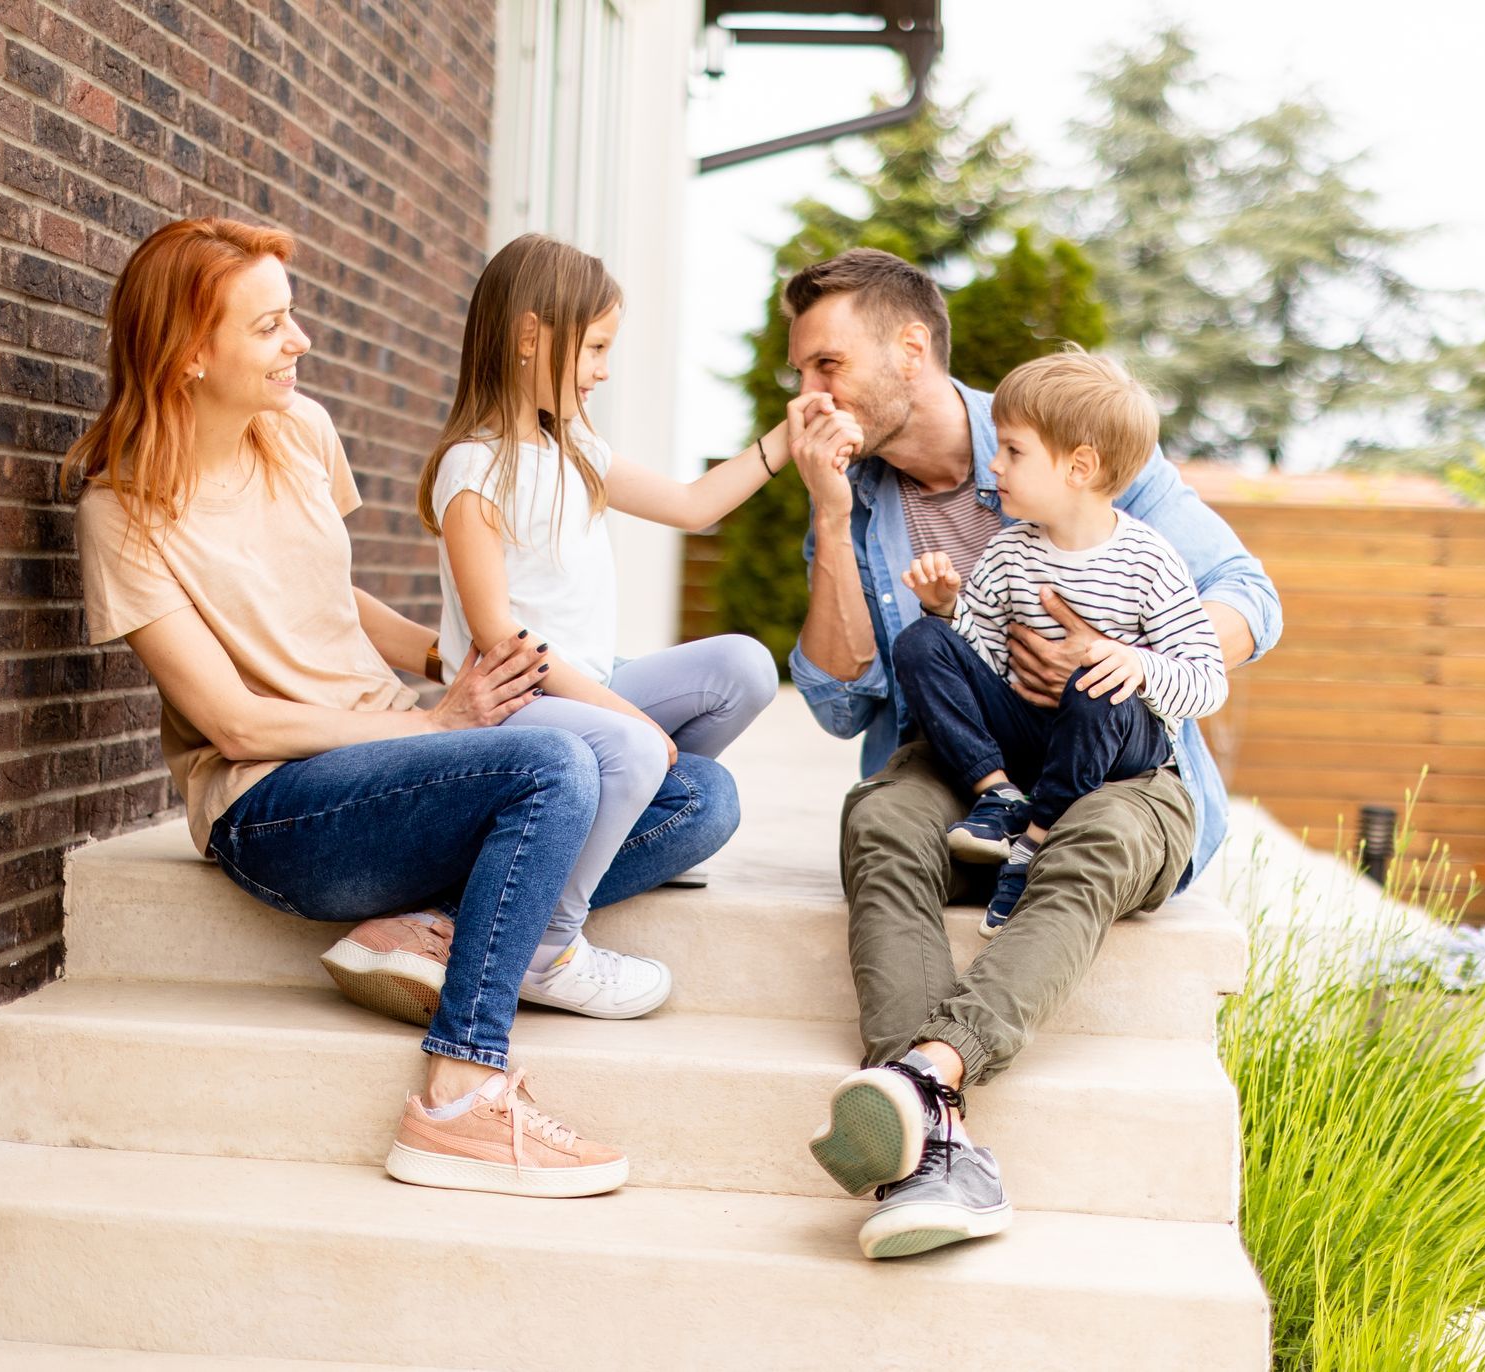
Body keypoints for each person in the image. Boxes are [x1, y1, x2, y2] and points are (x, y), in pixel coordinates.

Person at [65, 217, 733, 1198]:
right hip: (278, 805)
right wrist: (434, 721)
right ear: (189, 354)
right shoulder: (120, 512)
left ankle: (431, 927)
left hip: (387, 753)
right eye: (269, 327)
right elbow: (235, 724)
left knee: (698, 793)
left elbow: (333, 601)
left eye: (292, 320)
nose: (300, 343)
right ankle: (459, 1095)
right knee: (554, 766)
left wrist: (446, 660)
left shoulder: (299, 431)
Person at [776, 249, 1281, 1259]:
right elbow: (839, 698)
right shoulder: (861, 495)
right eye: (801, 373)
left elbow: (1248, 600)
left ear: (908, 350)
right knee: (879, 813)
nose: (807, 394)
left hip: (1124, 754)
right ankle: (936, 1141)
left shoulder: (1068, 432)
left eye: (826, 365)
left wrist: (1118, 662)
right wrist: (832, 516)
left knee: (1092, 839)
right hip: (976, 756)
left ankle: (928, 1079)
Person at [416, 233, 781, 1019]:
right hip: (517, 702)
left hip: (591, 681)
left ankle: (627, 818)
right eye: (596, 348)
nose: (605, 370)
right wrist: (624, 717)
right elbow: (499, 640)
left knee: (745, 668)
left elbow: (691, 505)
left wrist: (785, 441)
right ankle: (547, 946)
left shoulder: (573, 445)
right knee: (635, 740)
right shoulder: (470, 469)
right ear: (529, 337)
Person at [894, 347, 1228, 939]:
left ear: (1078, 468)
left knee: (1098, 681)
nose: (993, 465)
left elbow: (1207, 681)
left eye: (1013, 451)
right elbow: (987, 660)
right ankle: (998, 797)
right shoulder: (1010, 552)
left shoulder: (1148, 561)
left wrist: (1138, 664)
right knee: (922, 640)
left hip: (1115, 739)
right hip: (1029, 732)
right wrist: (947, 609)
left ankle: (1034, 844)